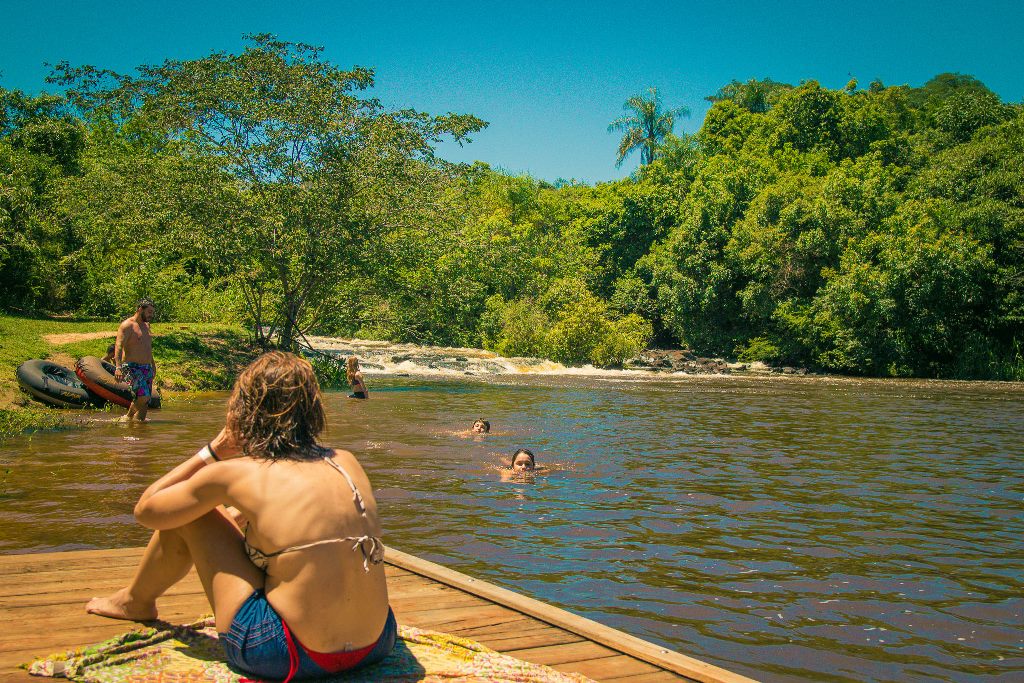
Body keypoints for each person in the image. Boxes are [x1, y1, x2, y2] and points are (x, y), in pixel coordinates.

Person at [85, 352, 394, 681]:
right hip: (377, 642)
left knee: (193, 515)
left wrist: (213, 451)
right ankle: (136, 600)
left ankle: (135, 602)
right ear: (314, 410)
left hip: (288, 654)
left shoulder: (237, 474)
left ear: (244, 410)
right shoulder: (345, 461)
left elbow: (148, 510)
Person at [114, 299, 157, 421]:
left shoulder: (146, 325)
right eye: (149, 312)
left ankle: (139, 430)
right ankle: (127, 417)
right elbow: (118, 346)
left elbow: (147, 347)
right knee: (143, 397)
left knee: (145, 403)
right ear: (140, 309)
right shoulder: (127, 325)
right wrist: (118, 367)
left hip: (146, 367)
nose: (151, 315)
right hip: (132, 367)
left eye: (152, 312)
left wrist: (152, 364)